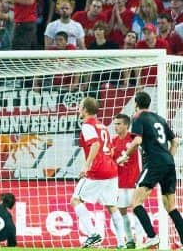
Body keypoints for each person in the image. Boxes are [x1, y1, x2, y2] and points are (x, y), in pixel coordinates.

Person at [116, 91, 183, 249]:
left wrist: (124, 155)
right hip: (168, 163)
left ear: (136, 104)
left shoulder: (138, 117)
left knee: (135, 202)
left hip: (154, 162)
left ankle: (152, 237)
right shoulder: (160, 118)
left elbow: (137, 140)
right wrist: (168, 159)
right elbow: (174, 142)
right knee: (170, 206)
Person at [71, 97, 126, 249]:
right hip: (111, 169)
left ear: (85, 110)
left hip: (98, 169)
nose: (78, 109)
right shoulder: (102, 126)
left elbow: (95, 144)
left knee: (75, 200)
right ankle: (122, 243)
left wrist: (86, 166)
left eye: (80, 106)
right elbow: (107, 147)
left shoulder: (87, 125)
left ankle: (93, 234)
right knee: (111, 205)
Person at [111, 113, 140, 249]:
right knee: (122, 213)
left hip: (134, 181)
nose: (115, 126)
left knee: (138, 211)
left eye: (118, 124)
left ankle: (140, 239)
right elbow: (111, 161)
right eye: (114, 124)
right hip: (120, 183)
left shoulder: (134, 138)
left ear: (126, 125)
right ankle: (129, 240)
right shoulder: (113, 141)